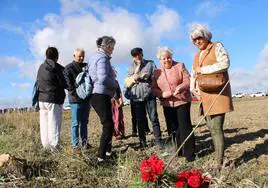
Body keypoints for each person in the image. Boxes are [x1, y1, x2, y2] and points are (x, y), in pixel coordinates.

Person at [189, 24, 234, 170]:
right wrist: (192, 87)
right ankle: (220, 156)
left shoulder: (217, 46)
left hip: (218, 93)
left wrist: (202, 70)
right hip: (204, 95)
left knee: (216, 128)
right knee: (210, 127)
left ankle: (218, 163)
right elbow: (193, 74)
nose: (197, 41)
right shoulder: (196, 55)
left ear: (206, 36)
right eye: (194, 40)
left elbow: (225, 63)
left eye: (199, 38)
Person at [152, 47, 195, 161]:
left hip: (182, 100)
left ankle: (189, 154)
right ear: (160, 60)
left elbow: (188, 80)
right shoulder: (156, 72)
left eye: (169, 58)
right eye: (164, 59)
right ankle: (178, 150)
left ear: (172, 57)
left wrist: (181, 87)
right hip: (167, 104)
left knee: (185, 126)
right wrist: (161, 94)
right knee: (173, 128)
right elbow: (153, 88)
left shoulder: (180, 66)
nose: (167, 60)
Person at [124, 47, 163, 148]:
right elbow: (127, 81)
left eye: (139, 54)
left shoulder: (150, 63)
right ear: (132, 57)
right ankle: (142, 143)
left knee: (154, 118)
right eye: (135, 55)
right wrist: (133, 79)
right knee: (140, 120)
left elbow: (157, 77)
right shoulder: (130, 67)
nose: (137, 56)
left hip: (149, 96)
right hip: (136, 97)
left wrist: (149, 77)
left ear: (142, 54)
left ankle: (158, 141)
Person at [88, 36, 118, 163]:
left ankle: (108, 152)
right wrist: (115, 84)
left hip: (97, 95)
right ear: (108, 46)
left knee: (109, 124)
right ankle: (101, 158)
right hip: (100, 94)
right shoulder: (102, 58)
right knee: (108, 125)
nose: (113, 50)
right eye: (112, 47)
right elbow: (103, 78)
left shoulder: (94, 57)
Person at [37, 47, 67, 151]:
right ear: (56, 56)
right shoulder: (57, 67)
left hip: (41, 99)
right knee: (54, 124)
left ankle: (46, 146)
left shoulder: (41, 67)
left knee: (44, 123)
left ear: (46, 55)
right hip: (53, 99)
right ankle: (55, 149)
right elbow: (64, 83)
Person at [64, 48, 91, 152]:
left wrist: (87, 95)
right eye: (79, 56)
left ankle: (84, 143)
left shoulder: (86, 67)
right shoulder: (68, 68)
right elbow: (68, 85)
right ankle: (75, 146)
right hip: (75, 100)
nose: (81, 58)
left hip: (86, 100)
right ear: (74, 55)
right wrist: (78, 94)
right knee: (75, 123)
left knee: (84, 122)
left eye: (83, 56)